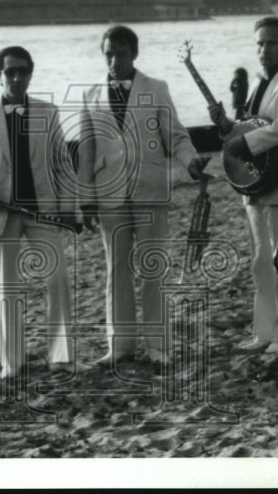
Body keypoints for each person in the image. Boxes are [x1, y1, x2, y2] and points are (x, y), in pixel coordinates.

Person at [78, 25, 208, 365]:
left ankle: (157, 346)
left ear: (134, 54)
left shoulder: (157, 88)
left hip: (150, 190)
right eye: (108, 53)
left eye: (120, 53)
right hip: (109, 193)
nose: (114, 60)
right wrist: (86, 197)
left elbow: (176, 135)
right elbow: (87, 150)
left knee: (154, 268)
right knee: (116, 268)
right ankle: (119, 346)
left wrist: (190, 161)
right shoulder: (90, 95)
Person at [0, 46, 76, 380]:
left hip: (43, 212)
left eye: (22, 71)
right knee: (6, 288)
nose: (16, 77)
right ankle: (12, 364)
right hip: (1, 213)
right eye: (9, 72)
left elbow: (62, 164)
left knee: (57, 280)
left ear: (30, 73)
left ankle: (61, 356)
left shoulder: (49, 112)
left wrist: (69, 209)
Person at [209, 17, 278, 358]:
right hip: (256, 184)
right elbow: (251, 126)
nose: (264, 49)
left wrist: (244, 144)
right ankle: (264, 330)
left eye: (272, 43)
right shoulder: (261, 83)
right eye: (260, 44)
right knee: (261, 261)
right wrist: (227, 126)